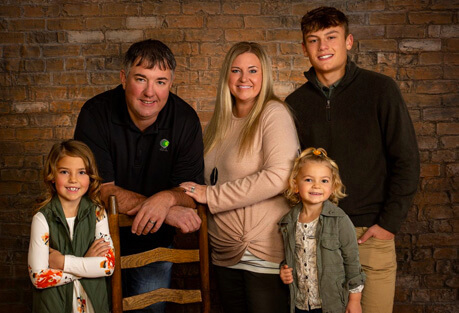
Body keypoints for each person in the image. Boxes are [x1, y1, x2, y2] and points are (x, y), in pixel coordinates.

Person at [286, 7, 420, 313]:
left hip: (369, 235)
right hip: (318, 235)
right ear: (305, 48)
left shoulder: (381, 89)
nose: (323, 47)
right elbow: (294, 173)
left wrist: (388, 223)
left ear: (348, 41)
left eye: (331, 37)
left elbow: (407, 161)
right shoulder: (295, 104)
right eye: (313, 40)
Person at [74, 39, 204, 313]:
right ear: (124, 78)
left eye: (160, 81)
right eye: (141, 79)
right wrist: (165, 209)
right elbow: (101, 190)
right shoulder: (95, 114)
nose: (149, 92)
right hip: (96, 241)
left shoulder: (185, 120)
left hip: (154, 243)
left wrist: (168, 197)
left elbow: (191, 192)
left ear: (171, 83)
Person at [180, 41, 299, 313]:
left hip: (261, 250)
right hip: (223, 251)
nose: (244, 78)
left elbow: (280, 176)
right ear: (227, 76)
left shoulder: (273, 113)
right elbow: (209, 177)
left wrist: (208, 195)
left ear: (264, 75)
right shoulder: (220, 121)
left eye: (253, 71)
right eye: (236, 70)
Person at [28, 140, 115, 313]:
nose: (73, 179)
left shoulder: (97, 213)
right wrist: (87, 262)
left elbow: (107, 266)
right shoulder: (42, 218)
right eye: (64, 172)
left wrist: (61, 262)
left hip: (93, 304)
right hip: (54, 305)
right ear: (52, 176)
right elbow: (38, 277)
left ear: (90, 176)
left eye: (81, 172)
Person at [279, 147, 365, 313]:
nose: (316, 186)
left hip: (330, 304)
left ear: (333, 187)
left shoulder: (340, 220)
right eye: (309, 180)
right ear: (295, 185)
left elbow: (352, 263)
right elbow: (292, 256)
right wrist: (284, 270)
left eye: (324, 181)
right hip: (300, 303)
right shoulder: (288, 222)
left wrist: (355, 301)